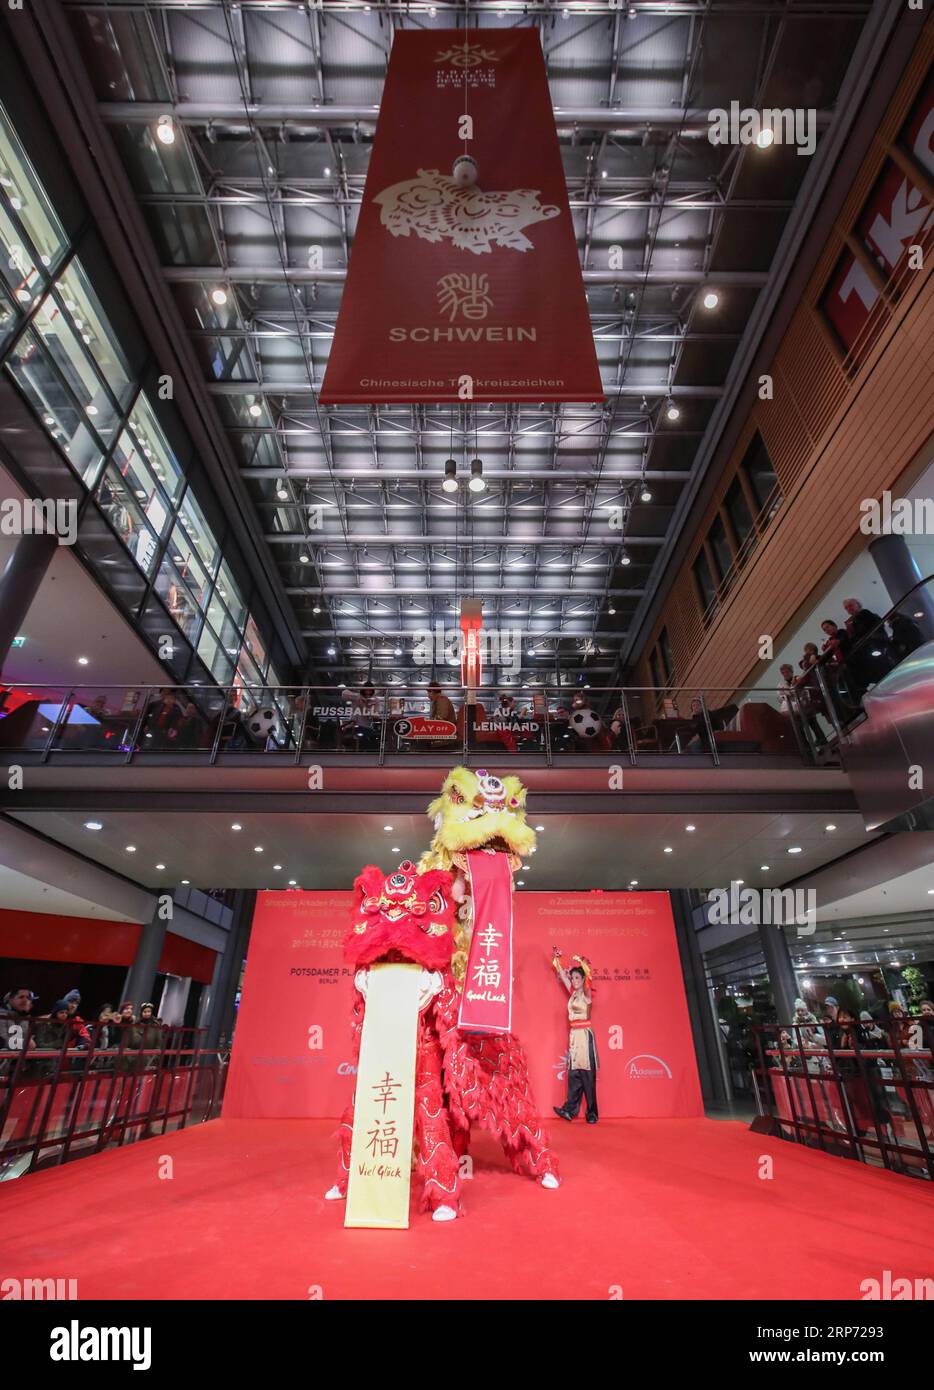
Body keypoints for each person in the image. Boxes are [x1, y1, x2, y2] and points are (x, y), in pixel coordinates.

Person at [551, 949, 599, 1124]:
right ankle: (570, 1110)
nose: (574, 980)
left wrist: (582, 963)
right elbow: (563, 975)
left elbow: (588, 976)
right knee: (574, 1075)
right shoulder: (572, 993)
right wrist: (558, 958)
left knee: (587, 1075)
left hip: (585, 1037)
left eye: (578, 978)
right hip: (574, 1037)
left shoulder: (586, 994)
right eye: (573, 978)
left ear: (583, 979)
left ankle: (592, 1113)